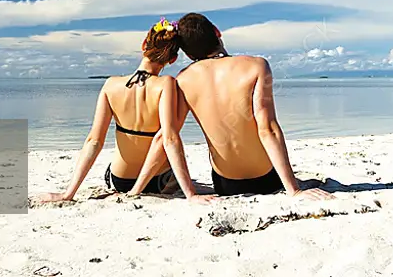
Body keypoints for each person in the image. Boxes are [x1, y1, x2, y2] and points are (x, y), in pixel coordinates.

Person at [130, 12, 333, 199]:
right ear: (217, 32)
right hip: (266, 180)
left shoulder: (183, 79)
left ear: (189, 55)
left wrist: (136, 190)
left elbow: (165, 137)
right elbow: (268, 129)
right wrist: (294, 190)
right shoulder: (257, 66)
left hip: (225, 184)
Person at [35, 18, 211, 204]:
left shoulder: (110, 84)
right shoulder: (166, 84)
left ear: (144, 45)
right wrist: (191, 194)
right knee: (176, 174)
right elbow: (169, 139)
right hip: (156, 182)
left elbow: (94, 141)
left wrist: (67, 194)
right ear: (173, 59)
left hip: (118, 180)